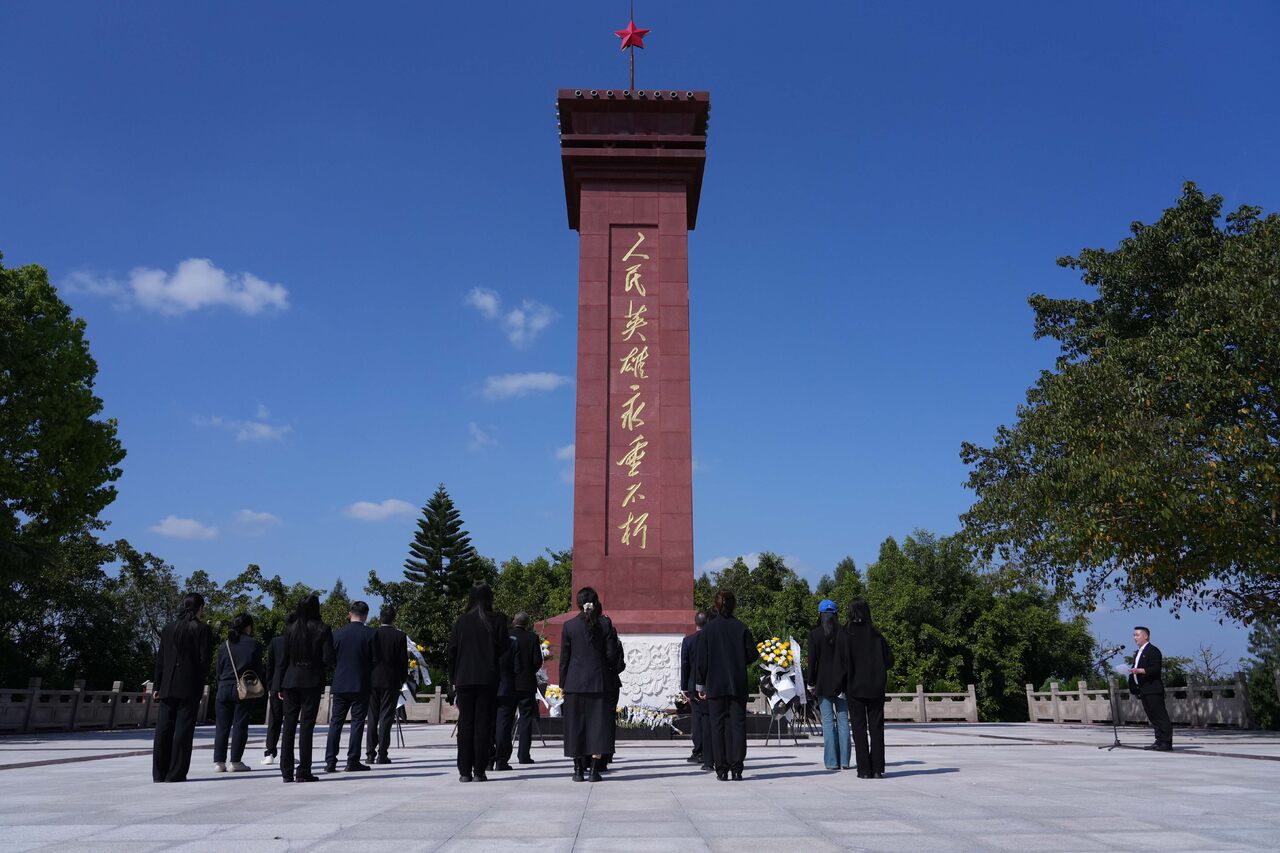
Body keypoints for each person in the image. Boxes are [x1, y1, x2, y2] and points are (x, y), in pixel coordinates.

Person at [560, 586, 621, 782]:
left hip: (574, 684)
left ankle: (578, 770)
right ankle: (594, 771)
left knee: (575, 727)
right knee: (598, 727)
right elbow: (611, 655)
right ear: (596, 602)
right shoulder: (604, 624)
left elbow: (564, 659)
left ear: (578, 603)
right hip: (599, 683)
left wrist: (562, 684)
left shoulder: (569, 626)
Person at [151, 592, 213, 783]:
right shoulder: (202, 629)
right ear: (200, 608)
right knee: (183, 729)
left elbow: (161, 660)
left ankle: (159, 772)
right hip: (189, 684)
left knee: (163, 728)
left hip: (167, 684)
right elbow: (204, 661)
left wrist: (157, 685)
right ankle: (176, 772)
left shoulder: (168, 628)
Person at [447, 583, 505, 782]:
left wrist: (453, 679)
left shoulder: (461, 621)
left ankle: (464, 771)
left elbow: (452, 653)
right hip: (487, 679)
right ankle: (479, 770)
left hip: (464, 679)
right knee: (483, 725)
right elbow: (504, 650)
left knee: (465, 724)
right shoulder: (497, 620)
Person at [696, 590, 755, 781]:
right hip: (737, 683)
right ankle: (737, 768)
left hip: (715, 684)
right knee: (738, 725)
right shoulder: (741, 628)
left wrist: (700, 685)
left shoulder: (708, 630)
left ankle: (721, 769)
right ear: (733, 605)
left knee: (717, 726)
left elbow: (702, 660)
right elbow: (752, 655)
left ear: (716, 605)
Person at [277, 594, 335, 783]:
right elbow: (328, 658)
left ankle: (286, 770)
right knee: (306, 727)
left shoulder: (290, 628)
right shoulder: (323, 629)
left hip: (290, 680)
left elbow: (283, 660)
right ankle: (303, 770)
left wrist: (278, 685)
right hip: (311, 681)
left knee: (288, 726)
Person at [842, 598, 894, 779]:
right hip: (876, 687)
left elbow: (841, 663)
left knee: (859, 728)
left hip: (854, 687)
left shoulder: (846, 634)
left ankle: (864, 769)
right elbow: (889, 661)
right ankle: (877, 769)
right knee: (876, 728)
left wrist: (840, 684)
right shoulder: (877, 635)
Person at [325, 600, 377, 773]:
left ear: (350, 614)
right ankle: (352, 760)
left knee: (335, 722)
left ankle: (330, 761)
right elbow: (376, 660)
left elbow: (330, 658)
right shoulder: (371, 634)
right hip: (360, 683)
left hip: (340, 683)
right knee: (357, 723)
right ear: (366, 616)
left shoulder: (337, 634)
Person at [213, 613, 263, 773]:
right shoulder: (253, 644)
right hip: (242, 688)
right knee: (240, 725)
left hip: (223, 687)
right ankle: (235, 761)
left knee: (222, 726)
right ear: (248, 626)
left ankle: (219, 762)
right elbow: (257, 669)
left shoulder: (225, 644)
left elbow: (219, 669)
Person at [494, 612, 543, 768]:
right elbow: (537, 661)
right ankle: (523, 755)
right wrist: (528, 672)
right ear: (527, 623)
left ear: (513, 622)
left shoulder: (505, 637)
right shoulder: (532, 638)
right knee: (525, 719)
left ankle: (501, 757)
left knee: (504, 721)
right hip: (526, 683)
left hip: (506, 684)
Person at [807, 599, 850, 771]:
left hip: (823, 683)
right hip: (843, 683)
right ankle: (845, 761)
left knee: (827, 723)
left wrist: (810, 682)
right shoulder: (845, 633)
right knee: (843, 721)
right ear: (836, 614)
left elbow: (812, 662)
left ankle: (832, 762)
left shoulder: (814, 634)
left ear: (820, 614)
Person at [366, 604, 409, 765]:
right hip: (391, 680)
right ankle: (382, 753)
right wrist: (402, 679)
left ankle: (370, 753)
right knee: (385, 717)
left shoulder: (372, 634)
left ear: (379, 618)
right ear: (394, 619)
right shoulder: (399, 636)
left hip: (372, 680)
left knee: (372, 716)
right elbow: (402, 661)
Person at [1130, 626, 1173, 751]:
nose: (1135, 637)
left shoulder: (1153, 650)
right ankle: (1159, 740)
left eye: (1137, 635)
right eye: (1134, 635)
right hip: (1143, 689)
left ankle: (1166, 742)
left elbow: (1155, 669)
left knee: (1160, 716)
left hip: (1153, 689)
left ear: (1146, 636)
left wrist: (1139, 671)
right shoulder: (1138, 652)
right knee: (1153, 717)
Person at [260, 614, 293, 766]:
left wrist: (270, 686)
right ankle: (287, 753)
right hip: (292, 685)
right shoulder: (298, 641)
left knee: (274, 720)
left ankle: (270, 752)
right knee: (290, 721)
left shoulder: (275, 641)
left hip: (276, 684)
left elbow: (270, 666)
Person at [680, 610, 709, 766]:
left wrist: (684, 686)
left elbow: (684, 665)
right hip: (709, 684)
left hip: (693, 684)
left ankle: (698, 751)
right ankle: (708, 751)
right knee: (708, 718)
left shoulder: (688, 641)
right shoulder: (712, 639)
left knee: (697, 719)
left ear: (695, 623)